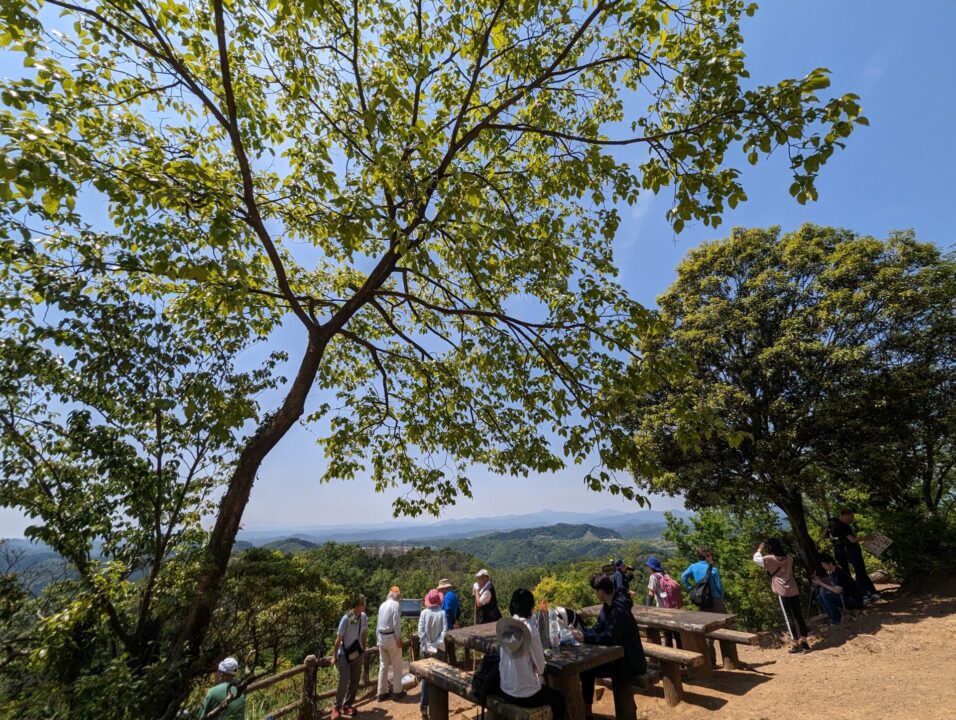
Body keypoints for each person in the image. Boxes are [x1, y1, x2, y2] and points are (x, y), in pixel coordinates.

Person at [571, 573, 647, 720]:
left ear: (600, 591)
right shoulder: (607, 606)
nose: (595, 594)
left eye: (595, 591)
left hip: (630, 662)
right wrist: (582, 633)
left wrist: (585, 637)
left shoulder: (619, 609)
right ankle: (587, 712)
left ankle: (588, 712)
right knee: (586, 670)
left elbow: (610, 637)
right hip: (619, 658)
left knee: (587, 670)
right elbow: (599, 628)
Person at [496, 589, 567, 720]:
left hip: (504, 690)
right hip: (525, 695)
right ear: (531, 608)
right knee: (559, 700)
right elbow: (541, 668)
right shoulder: (530, 629)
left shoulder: (507, 627)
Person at [753, 539, 810, 654]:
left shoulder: (769, 559)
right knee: (798, 615)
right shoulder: (789, 558)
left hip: (782, 591)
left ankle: (795, 644)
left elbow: (756, 559)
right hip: (793, 589)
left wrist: (760, 549)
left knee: (788, 618)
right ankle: (804, 642)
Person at [681, 546, 726, 664]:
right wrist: (721, 599)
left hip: (703, 601)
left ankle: (711, 660)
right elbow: (719, 588)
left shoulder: (693, 567)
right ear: (706, 556)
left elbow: (683, 577)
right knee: (725, 627)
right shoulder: (713, 570)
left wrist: (691, 589)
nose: (712, 557)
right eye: (710, 555)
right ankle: (729, 659)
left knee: (707, 631)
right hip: (716, 601)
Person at [829, 509, 880, 601]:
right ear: (846, 515)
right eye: (851, 516)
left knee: (854, 572)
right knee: (860, 571)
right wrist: (866, 538)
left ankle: (870, 591)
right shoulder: (844, 525)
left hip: (840, 553)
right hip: (850, 551)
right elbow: (852, 540)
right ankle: (862, 593)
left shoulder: (835, 527)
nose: (852, 518)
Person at [332, 595, 368, 719]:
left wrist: (364, 649)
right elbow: (339, 639)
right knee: (344, 680)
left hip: (357, 653)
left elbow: (364, 634)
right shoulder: (347, 618)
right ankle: (336, 707)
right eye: (363, 604)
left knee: (355, 680)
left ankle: (347, 705)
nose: (365, 606)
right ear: (358, 605)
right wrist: (334, 655)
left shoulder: (363, 617)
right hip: (344, 654)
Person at [418, 588, 448, 720]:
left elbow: (421, 632)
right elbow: (444, 631)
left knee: (425, 678)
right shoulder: (442, 613)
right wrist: (436, 645)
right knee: (439, 676)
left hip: (426, 650)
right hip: (439, 650)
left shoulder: (424, 613)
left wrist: (429, 646)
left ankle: (424, 709)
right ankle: (438, 708)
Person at [812, 553, 865, 625]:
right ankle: (832, 617)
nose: (823, 567)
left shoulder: (839, 574)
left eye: (824, 565)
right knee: (820, 596)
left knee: (825, 595)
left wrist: (821, 583)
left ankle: (836, 619)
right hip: (846, 598)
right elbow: (832, 587)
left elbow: (837, 590)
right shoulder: (832, 573)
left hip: (854, 600)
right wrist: (820, 582)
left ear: (830, 564)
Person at [644, 557, 682, 649]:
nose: (648, 569)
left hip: (663, 609)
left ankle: (670, 660)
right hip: (674, 608)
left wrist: (647, 610)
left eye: (648, 567)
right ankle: (680, 655)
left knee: (667, 634)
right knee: (677, 634)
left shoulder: (653, 577)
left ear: (651, 567)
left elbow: (651, 594)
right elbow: (678, 586)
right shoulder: (665, 575)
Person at [376, 586, 405, 702]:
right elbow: (396, 623)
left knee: (383, 666)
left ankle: (381, 693)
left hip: (381, 637)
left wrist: (377, 640)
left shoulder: (382, 605)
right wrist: (398, 638)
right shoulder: (395, 605)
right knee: (397, 665)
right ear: (397, 595)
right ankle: (397, 691)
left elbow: (378, 624)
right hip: (391, 637)